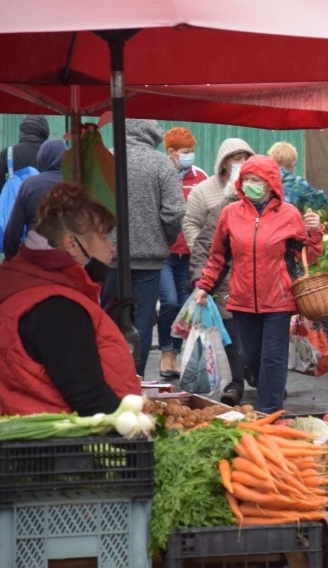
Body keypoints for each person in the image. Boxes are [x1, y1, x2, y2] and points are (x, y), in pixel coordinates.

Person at [0, 183, 140, 415]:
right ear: (71, 243)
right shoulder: (55, 305)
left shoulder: (31, 288)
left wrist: (104, 325)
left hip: (47, 442)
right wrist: (140, 435)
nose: (111, 248)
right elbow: (90, 399)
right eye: (103, 237)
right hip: (71, 446)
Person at [193, 155, 324, 414]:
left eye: (257, 180)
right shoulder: (230, 213)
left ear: (271, 183)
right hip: (241, 299)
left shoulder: (289, 214)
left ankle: (270, 411)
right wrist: (204, 286)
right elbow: (217, 255)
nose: (251, 184)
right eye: (247, 179)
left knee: (273, 358)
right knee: (250, 357)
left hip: (278, 299)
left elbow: (307, 256)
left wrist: (315, 233)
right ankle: (265, 390)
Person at [99, 119, 185, 378]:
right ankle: (134, 380)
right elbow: (175, 211)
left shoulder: (106, 160)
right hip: (148, 261)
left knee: (107, 322)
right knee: (142, 324)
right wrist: (164, 239)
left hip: (108, 258)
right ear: (153, 135)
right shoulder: (160, 163)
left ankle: (108, 377)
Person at [188, 169, 252, 407]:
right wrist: (200, 280)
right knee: (232, 338)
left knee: (254, 342)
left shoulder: (270, 211)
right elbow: (204, 247)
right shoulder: (222, 211)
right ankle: (235, 385)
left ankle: (254, 373)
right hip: (228, 285)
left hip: (259, 290)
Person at [156, 127, 208, 379]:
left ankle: (176, 355)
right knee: (170, 301)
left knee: (185, 306)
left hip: (189, 254)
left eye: (192, 151)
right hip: (164, 252)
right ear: (171, 152)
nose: (190, 156)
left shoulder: (201, 178)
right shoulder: (161, 175)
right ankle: (166, 353)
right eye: (186, 152)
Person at [182, 138, 254, 249]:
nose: (244, 163)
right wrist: (201, 254)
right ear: (223, 163)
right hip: (214, 258)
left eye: (247, 158)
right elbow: (191, 223)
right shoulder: (202, 190)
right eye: (237, 159)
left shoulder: (257, 188)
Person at [3, 139, 67, 258]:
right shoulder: (76, 184)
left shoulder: (29, 185)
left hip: (37, 257)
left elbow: (13, 232)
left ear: (41, 158)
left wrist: (10, 260)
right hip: (70, 259)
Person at [0, 115, 49, 204]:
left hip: (14, 212)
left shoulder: (8, 153)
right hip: (44, 211)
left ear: (22, 132)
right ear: (45, 133)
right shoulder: (51, 155)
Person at [267, 141, 328, 212]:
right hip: (291, 222)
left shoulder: (263, 180)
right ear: (292, 164)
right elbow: (322, 202)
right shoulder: (298, 184)